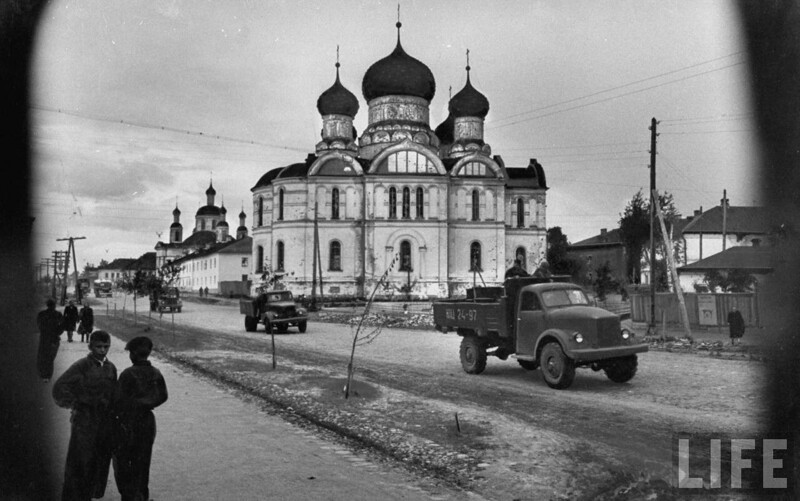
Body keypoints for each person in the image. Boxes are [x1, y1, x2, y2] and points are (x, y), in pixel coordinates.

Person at [52, 330, 118, 501]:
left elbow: (113, 394)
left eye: (106, 347)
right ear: (90, 346)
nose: (102, 350)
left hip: (104, 423)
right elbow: (59, 388)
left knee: (99, 460)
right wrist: (76, 403)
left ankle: (90, 494)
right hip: (84, 423)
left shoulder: (111, 368)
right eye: (98, 347)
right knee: (80, 461)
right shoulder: (81, 366)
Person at [113, 336, 168, 501]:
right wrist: (147, 403)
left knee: (123, 460)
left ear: (133, 354)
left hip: (128, 421)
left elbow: (118, 399)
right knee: (143, 461)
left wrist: (131, 405)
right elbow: (163, 396)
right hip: (147, 421)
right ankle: (141, 495)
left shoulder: (127, 374)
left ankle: (128, 495)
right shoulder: (156, 373)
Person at [37, 298, 64, 382]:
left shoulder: (41, 314)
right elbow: (62, 326)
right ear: (54, 305)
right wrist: (57, 333)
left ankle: (43, 374)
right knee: (50, 358)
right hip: (54, 339)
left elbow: (38, 325)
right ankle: (47, 375)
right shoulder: (58, 314)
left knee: (42, 357)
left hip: (44, 339)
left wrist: (43, 331)